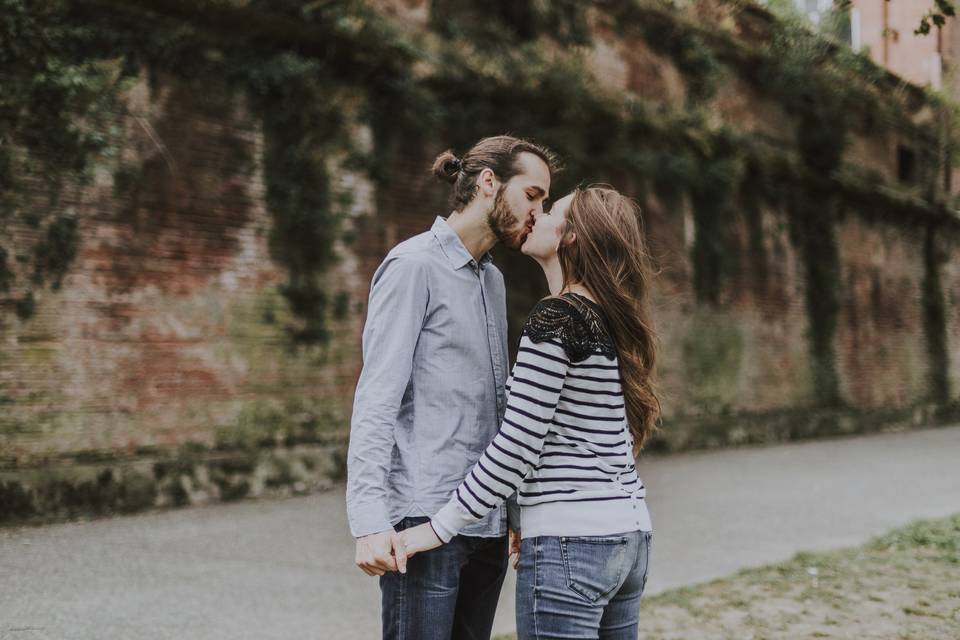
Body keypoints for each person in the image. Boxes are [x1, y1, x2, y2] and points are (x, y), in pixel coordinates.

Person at [400, 186, 662, 640]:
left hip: (572, 543)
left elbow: (517, 445)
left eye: (551, 211)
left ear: (571, 237)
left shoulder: (556, 318)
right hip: (630, 537)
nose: (535, 216)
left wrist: (437, 529)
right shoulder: (609, 318)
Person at [345, 135, 559, 640]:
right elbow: (377, 396)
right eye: (532, 195)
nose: (538, 211)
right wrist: (369, 520)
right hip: (423, 521)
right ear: (489, 183)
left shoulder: (493, 281)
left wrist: (512, 511)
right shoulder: (412, 265)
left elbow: (499, 405)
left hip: (482, 521)